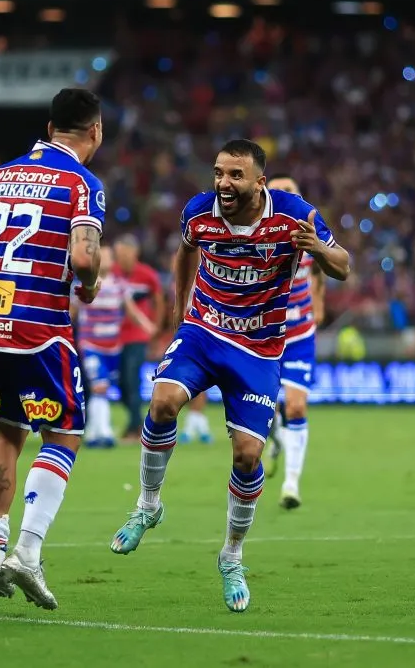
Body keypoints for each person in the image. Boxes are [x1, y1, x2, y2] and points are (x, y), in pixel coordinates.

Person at [108, 139, 350, 613]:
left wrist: (318, 248)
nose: (223, 183)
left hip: (258, 350)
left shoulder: (295, 214)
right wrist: (180, 310)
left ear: (259, 182)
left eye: (235, 175)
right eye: (219, 172)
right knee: (161, 403)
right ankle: (148, 504)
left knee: (246, 458)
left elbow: (344, 266)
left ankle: (231, 554)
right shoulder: (198, 212)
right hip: (203, 332)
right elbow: (185, 253)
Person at [0, 87, 105, 609]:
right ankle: (28, 552)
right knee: (65, 433)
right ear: (95, 132)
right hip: (41, 325)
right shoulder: (81, 182)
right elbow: (84, 259)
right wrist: (89, 284)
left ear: (48, 129)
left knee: (7, 431)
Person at [261, 173, 326, 509]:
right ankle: (275, 430)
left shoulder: (311, 234)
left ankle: (291, 484)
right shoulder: (260, 237)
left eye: (291, 190)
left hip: (299, 335)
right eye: (279, 191)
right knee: (264, 409)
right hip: (264, 336)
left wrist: (318, 302)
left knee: (297, 405)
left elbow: (320, 270)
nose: (286, 195)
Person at [74, 246, 156, 448]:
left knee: (102, 388)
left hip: (113, 347)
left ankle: (94, 430)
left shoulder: (120, 285)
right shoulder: (83, 285)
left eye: (108, 257)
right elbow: (71, 313)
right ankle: (103, 433)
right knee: (99, 386)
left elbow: (132, 311)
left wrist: (149, 328)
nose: (105, 260)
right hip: (90, 344)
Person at [113, 234, 164, 443]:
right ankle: (136, 422)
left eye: (124, 253)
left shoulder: (147, 275)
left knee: (131, 380)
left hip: (137, 335)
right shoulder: (112, 273)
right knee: (121, 383)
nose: (121, 258)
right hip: (112, 337)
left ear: (135, 253)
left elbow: (159, 302)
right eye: (118, 254)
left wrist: (156, 330)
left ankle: (135, 428)